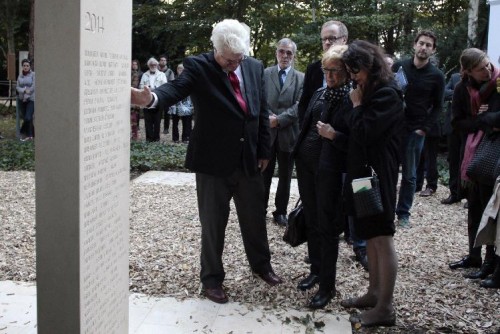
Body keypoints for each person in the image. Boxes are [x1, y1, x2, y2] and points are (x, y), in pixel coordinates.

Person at [131, 19, 282, 304]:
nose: (233, 65)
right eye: (228, 60)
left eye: (238, 59)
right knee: (213, 223)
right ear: (216, 49)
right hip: (213, 163)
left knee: (254, 219)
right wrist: (150, 98)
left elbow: (261, 111)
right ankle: (211, 279)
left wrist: (263, 150)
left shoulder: (252, 66)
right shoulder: (198, 67)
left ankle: (261, 265)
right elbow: (175, 89)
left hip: (249, 159)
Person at [340, 40, 404, 328]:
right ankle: (374, 292)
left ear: (370, 66)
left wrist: (356, 105)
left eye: (356, 70)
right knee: (370, 234)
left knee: (382, 236)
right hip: (363, 174)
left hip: (379, 174)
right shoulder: (370, 90)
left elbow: (365, 132)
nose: (354, 77)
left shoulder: (388, 94)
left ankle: (385, 308)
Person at [298, 20, 367, 268]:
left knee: (344, 208)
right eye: (324, 38)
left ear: (344, 40)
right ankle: (318, 262)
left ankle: (358, 247)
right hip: (313, 156)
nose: (327, 42)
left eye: (332, 38)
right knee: (317, 214)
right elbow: (304, 105)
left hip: (340, 157)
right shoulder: (315, 71)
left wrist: (334, 135)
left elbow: (359, 133)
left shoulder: (356, 82)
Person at [297, 45, 352, 309]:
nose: (329, 76)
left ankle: (327, 286)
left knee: (328, 227)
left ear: (347, 71)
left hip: (329, 172)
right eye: (326, 70)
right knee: (312, 222)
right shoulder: (319, 93)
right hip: (307, 168)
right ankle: (316, 270)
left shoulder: (352, 99)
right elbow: (305, 125)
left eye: (335, 71)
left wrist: (334, 135)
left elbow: (357, 142)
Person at [448, 48, 500, 288]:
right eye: (481, 68)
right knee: (475, 207)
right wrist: (482, 120)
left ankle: (491, 261)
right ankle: (474, 255)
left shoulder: (498, 83)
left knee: (492, 209)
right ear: (468, 72)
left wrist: (487, 119)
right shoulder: (461, 89)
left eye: (488, 64)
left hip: (493, 154)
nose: (487, 70)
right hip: (472, 154)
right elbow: (457, 123)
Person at [394, 30, 445, 227]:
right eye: (421, 43)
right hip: (394, 127)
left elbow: (438, 106)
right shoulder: (400, 67)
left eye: (428, 45)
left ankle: (403, 213)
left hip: (415, 130)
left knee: (409, 174)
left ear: (433, 50)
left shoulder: (436, 76)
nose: (424, 48)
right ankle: (386, 210)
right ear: (414, 45)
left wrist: (424, 128)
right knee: (389, 170)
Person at [263, 38, 304, 226]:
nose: (285, 56)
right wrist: (268, 118)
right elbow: (259, 99)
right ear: (276, 53)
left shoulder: (301, 78)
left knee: (285, 177)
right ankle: (259, 208)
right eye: (282, 51)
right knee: (263, 174)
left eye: (289, 53)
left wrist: (278, 120)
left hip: (289, 135)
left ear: (293, 55)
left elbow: (299, 106)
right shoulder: (264, 74)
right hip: (267, 134)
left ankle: (280, 212)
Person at [441, 72, 464, 204]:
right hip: (453, 127)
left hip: (470, 126)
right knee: (454, 160)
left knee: (468, 160)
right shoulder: (455, 77)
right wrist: (460, 93)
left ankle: (469, 195)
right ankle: (454, 192)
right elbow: (444, 93)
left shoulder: (480, 78)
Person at [139, 57, 167, 142]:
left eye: (155, 64)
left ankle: (156, 138)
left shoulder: (162, 75)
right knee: (148, 120)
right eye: (151, 64)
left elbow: (165, 86)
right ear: (149, 65)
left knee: (157, 120)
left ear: (157, 65)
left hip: (158, 99)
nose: (153, 66)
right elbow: (141, 86)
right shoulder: (144, 75)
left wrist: (156, 89)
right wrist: (147, 89)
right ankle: (149, 138)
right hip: (147, 99)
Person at [170, 63, 193, 143]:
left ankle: (186, 138)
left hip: (187, 104)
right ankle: (175, 138)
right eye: (180, 69)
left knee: (187, 122)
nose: (181, 71)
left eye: (183, 69)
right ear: (177, 70)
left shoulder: (190, 79)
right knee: (175, 122)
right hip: (175, 104)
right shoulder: (174, 80)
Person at [16, 59, 35, 141]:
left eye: (27, 65)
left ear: (29, 66)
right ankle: (31, 134)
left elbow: (34, 86)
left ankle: (27, 133)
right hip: (21, 100)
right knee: (26, 118)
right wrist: (24, 90)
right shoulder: (20, 76)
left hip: (31, 99)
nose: (26, 67)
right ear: (22, 66)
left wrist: (28, 93)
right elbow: (17, 87)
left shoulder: (33, 74)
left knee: (28, 117)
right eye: (24, 65)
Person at [159, 55, 175, 135]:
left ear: (166, 62)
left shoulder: (170, 71)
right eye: (161, 60)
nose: (163, 61)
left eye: (164, 60)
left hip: (166, 94)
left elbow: (172, 83)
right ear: (159, 61)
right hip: (157, 93)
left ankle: (166, 128)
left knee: (167, 112)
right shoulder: (156, 70)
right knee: (157, 111)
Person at [131, 59, 143, 141]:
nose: (134, 65)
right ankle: (133, 133)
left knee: (135, 114)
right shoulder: (129, 73)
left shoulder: (140, 74)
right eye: (133, 64)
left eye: (135, 64)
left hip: (136, 94)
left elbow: (138, 84)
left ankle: (135, 133)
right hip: (130, 94)